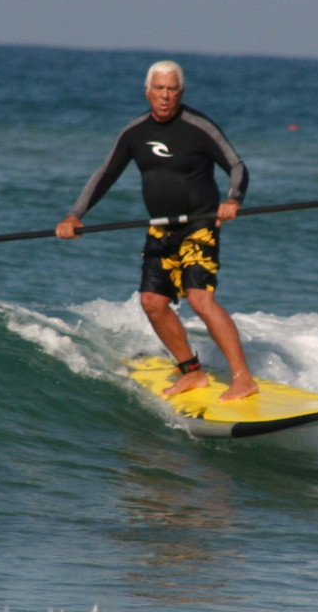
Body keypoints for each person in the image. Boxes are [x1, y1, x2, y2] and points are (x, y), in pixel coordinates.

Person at [55, 60, 259, 401]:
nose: (165, 96)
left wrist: (233, 200)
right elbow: (104, 175)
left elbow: (236, 166)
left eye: (172, 89)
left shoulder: (198, 126)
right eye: (159, 89)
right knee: (152, 302)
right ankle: (192, 373)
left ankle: (243, 378)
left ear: (181, 92)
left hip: (199, 226)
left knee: (199, 298)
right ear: (148, 91)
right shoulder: (134, 133)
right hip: (161, 230)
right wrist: (75, 215)